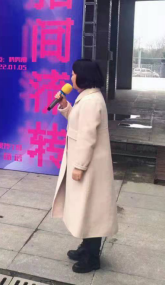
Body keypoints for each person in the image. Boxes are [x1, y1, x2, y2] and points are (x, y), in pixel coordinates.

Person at [51, 59, 118, 274]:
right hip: (85, 161)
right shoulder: (87, 97)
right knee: (85, 207)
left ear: (83, 76)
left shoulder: (91, 101)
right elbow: (77, 122)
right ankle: (86, 247)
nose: (71, 77)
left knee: (91, 209)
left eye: (73, 73)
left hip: (89, 165)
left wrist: (79, 166)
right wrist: (64, 106)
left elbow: (88, 137)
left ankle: (92, 257)